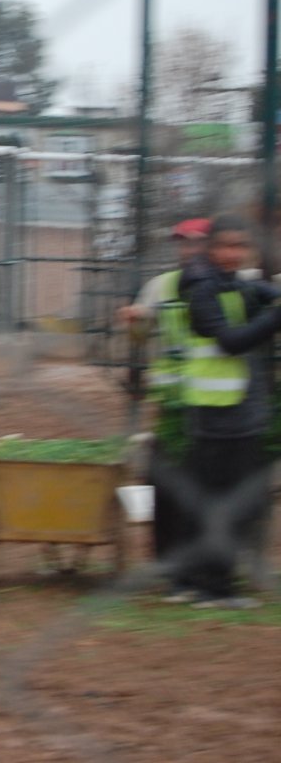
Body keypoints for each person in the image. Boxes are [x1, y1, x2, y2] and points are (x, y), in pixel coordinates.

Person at [164, 214, 281, 608]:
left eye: (240, 246)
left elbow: (256, 290)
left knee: (206, 500)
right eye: (226, 245)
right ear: (210, 248)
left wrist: (274, 294)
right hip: (221, 416)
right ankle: (216, 588)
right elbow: (231, 341)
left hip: (224, 411)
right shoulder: (203, 290)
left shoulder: (228, 282)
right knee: (230, 502)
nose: (233, 253)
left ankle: (189, 581)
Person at [119, 218, 210, 571]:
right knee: (165, 480)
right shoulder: (162, 286)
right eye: (184, 244)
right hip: (172, 402)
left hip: (216, 402)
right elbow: (140, 335)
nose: (190, 250)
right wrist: (134, 322)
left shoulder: (233, 283)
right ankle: (166, 558)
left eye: (198, 243)